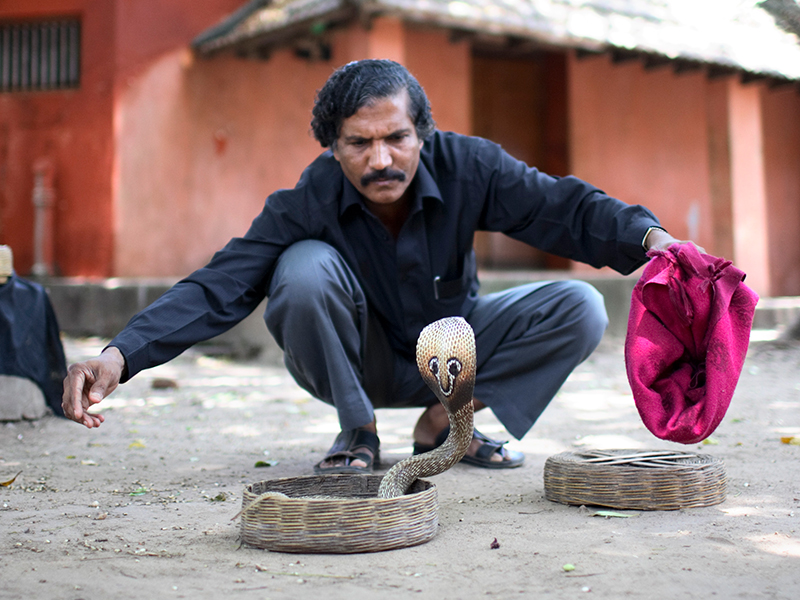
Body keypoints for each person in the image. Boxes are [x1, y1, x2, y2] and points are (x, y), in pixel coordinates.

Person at [62, 59, 692, 474]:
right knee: (303, 268)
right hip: (351, 365)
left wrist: (651, 239)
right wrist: (118, 356)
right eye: (359, 144)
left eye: (397, 138)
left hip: (454, 354)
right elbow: (220, 283)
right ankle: (358, 432)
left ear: (423, 132)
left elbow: (564, 208)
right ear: (333, 148)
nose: (382, 159)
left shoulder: (470, 165)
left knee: (579, 306)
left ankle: (447, 424)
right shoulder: (308, 198)